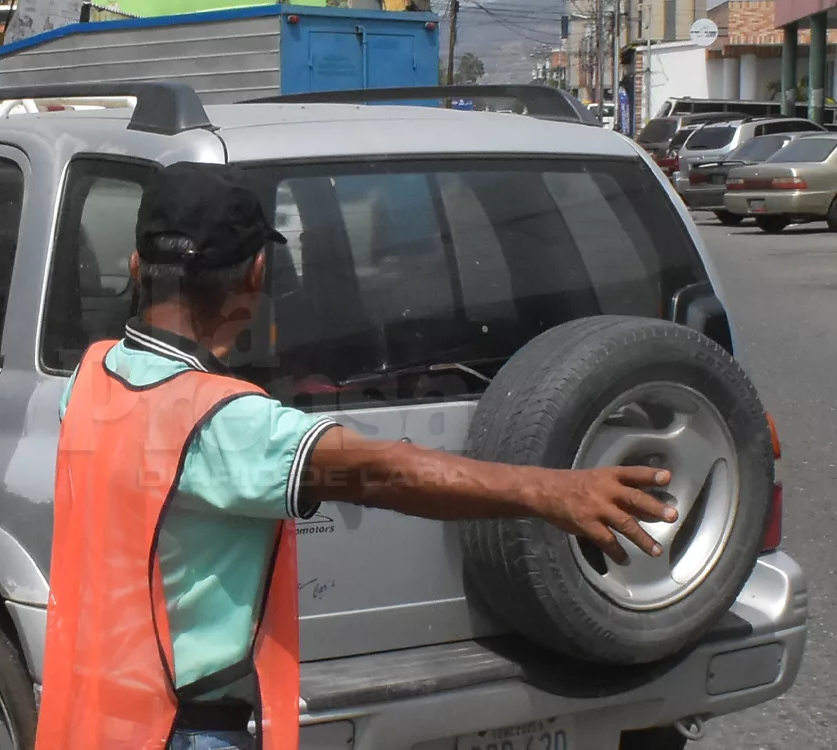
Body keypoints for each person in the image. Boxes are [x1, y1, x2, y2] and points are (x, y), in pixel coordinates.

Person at [36, 162, 677, 750]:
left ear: (134, 266)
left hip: (99, 717)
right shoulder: (223, 421)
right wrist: (551, 492)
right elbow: (378, 472)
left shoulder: (91, 380)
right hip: (181, 728)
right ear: (257, 274)